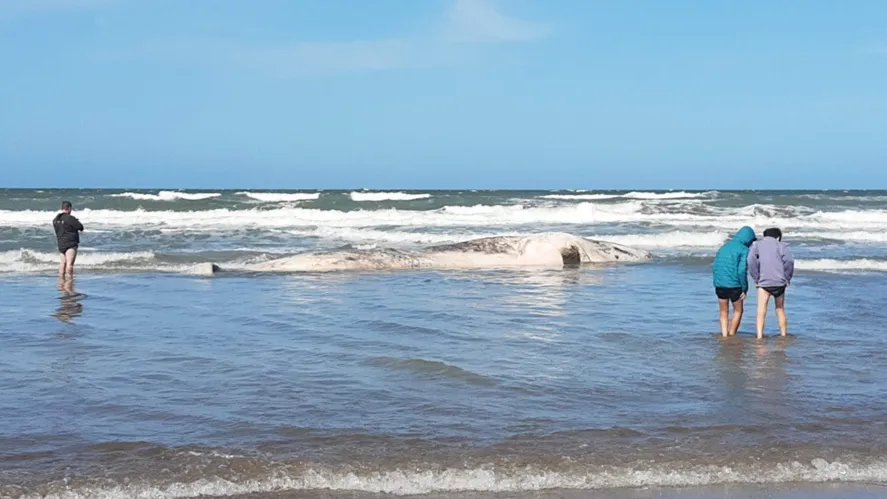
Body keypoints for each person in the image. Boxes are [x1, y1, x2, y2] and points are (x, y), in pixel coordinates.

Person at [748, 227, 794, 339]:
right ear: (777, 237)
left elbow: (750, 261)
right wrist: (787, 278)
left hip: (763, 283)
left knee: (761, 311)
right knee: (780, 309)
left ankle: (759, 336)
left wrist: (756, 278)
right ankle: (783, 334)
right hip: (779, 282)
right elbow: (789, 262)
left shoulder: (757, 245)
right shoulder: (781, 246)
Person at [712, 226, 756, 337]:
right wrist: (745, 288)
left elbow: (715, 266)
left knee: (723, 311)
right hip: (734, 285)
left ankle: (724, 335)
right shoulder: (744, 250)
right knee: (738, 311)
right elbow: (742, 270)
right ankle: (731, 334)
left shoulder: (724, 247)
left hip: (720, 284)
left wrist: (717, 282)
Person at [52, 201, 84, 281]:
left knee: (63, 263)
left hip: (61, 243)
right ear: (69, 208)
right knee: (69, 264)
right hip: (70, 243)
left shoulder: (55, 219)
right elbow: (80, 227)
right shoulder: (69, 218)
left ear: (62, 208)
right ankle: (69, 281)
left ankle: (61, 281)